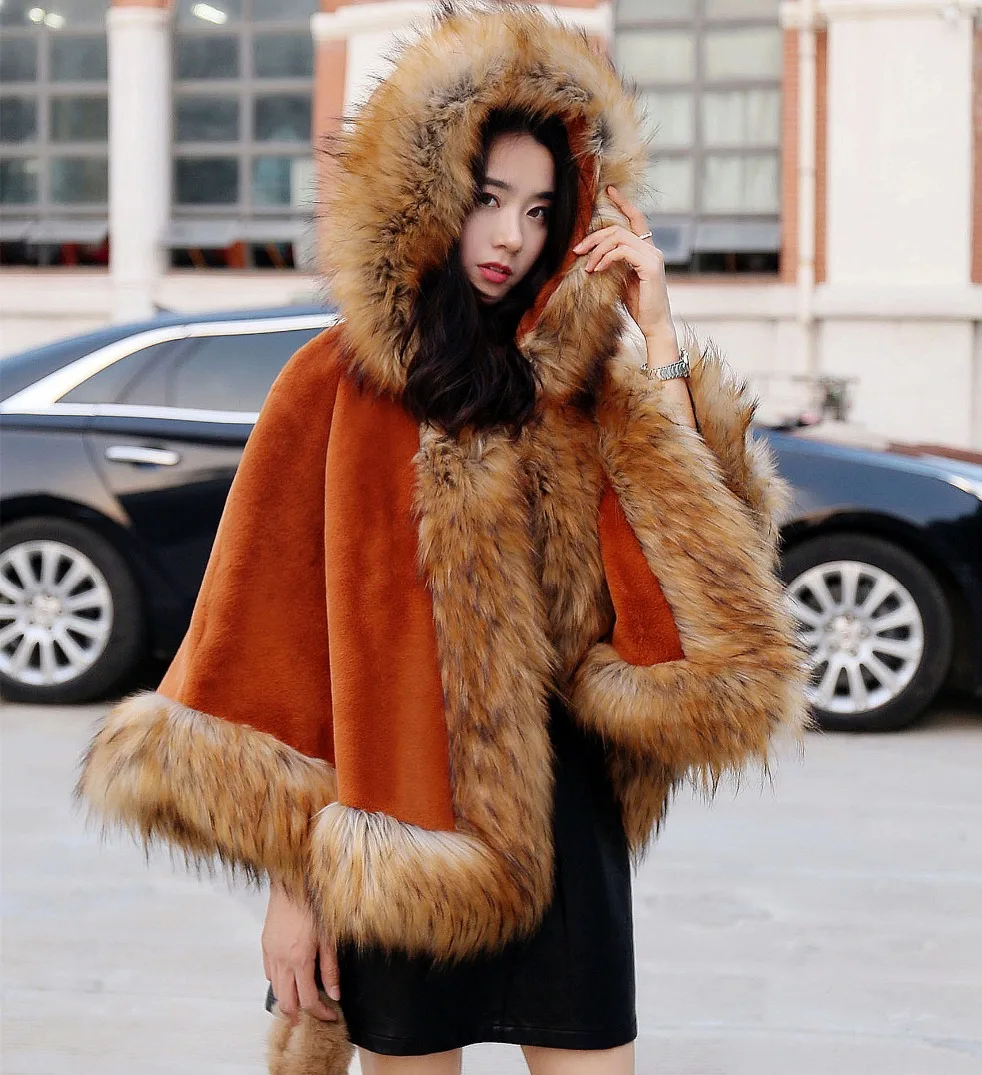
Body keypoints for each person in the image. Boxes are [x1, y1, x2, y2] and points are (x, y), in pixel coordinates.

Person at [77, 7, 808, 1075]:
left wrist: (655, 338)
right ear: (425, 197)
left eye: (541, 209)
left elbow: (704, 595)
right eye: (487, 199)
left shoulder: (587, 389)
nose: (510, 235)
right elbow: (270, 652)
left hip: (565, 827)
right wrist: (294, 887)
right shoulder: (332, 386)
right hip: (396, 826)